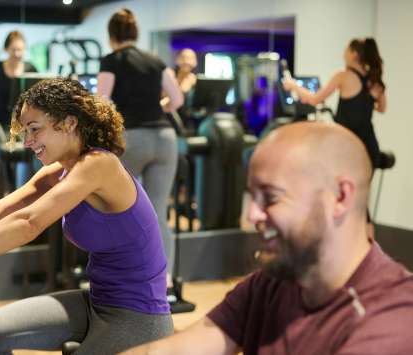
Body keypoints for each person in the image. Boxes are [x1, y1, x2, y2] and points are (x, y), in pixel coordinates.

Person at [0, 78, 173, 354]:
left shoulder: (100, 165)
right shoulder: (60, 170)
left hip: (138, 318)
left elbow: (28, 223)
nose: (27, 141)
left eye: (35, 129)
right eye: (25, 131)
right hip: (97, 302)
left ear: (69, 122)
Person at [120, 121, 413, 355]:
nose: (253, 216)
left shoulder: (391, 321)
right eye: (253, 197)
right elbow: (188, 345)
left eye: (271, 198)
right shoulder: (274, 282)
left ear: (340, 197)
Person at [97, 8, 184, 294]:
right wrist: (156, 107)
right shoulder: (155, 60)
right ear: (135, 33)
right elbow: (177, 99)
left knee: (121, 206)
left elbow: (102, 102)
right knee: (159, 210)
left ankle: (127, 273)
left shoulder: (111, 60)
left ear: (112, 36)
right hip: (164, 137)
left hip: (131, 138)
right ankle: (165, 279)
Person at [283, 37, 387, 168]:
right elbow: (382, 108)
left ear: (354, 54)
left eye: (346, 50)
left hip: (348, 146)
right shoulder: (374, 80)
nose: (344, 54)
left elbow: (315, 99)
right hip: (369, 146)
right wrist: (365, 103)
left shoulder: (343, 76)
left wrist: (293, 86)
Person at [0, 30, 37, 136]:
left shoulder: (31, 68)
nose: (17, 54)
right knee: (1, 152)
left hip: (23, 123)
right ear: (6, 49)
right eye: (13, 50)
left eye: (20, 50)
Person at [174, 48, 198, 135]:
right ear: (177, 60)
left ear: (195, 62)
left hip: (191, 124)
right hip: (174, 123)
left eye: (190, 58)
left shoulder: (196, 81)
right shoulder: (171, 78)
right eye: (183, 58)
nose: (186, 61)